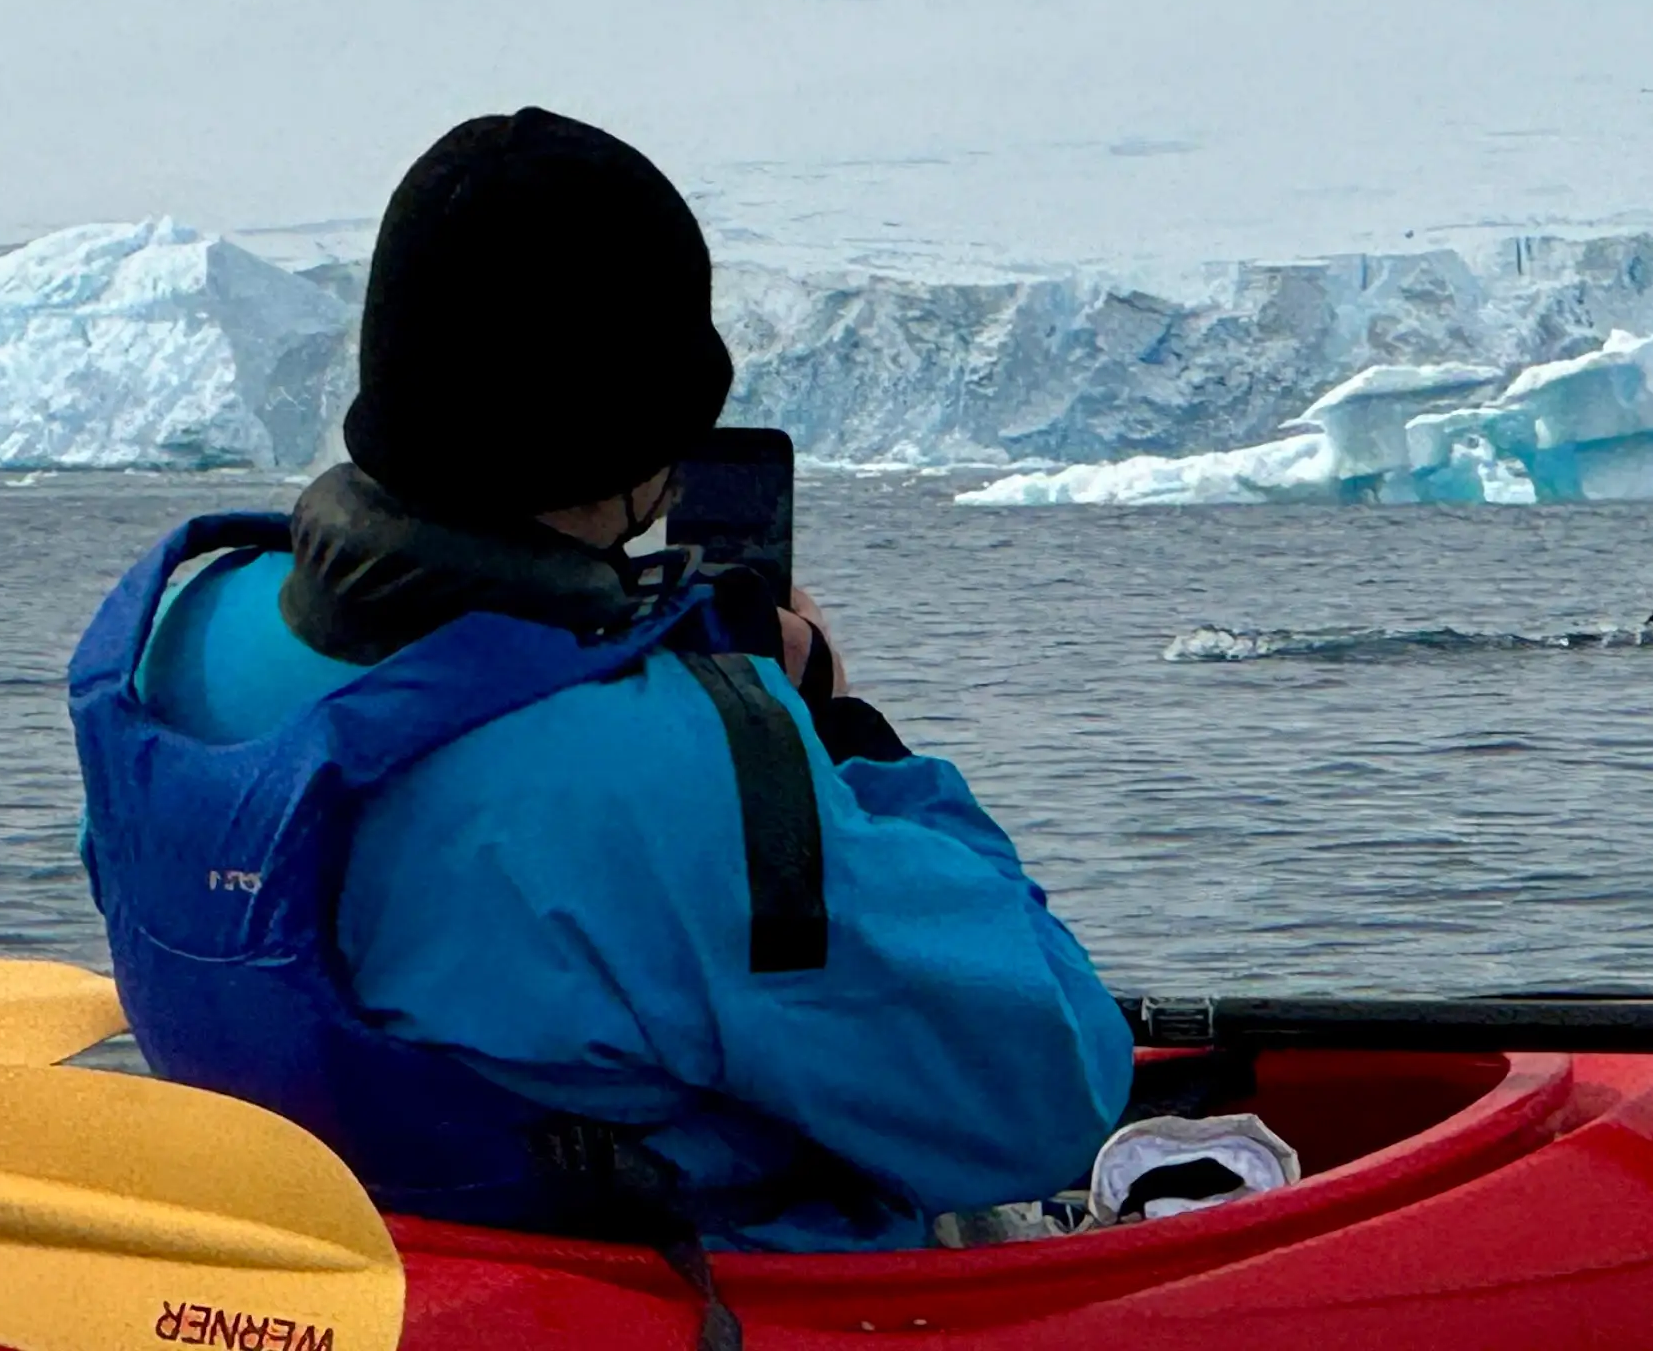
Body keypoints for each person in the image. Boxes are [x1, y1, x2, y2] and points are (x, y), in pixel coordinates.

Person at [69, 108, 1131, 1256]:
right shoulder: (674, 767)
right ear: (647, 437)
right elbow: (1050, 1091)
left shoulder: (184, 635)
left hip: (333, 1259)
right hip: (654, 1297)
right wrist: (827, 736)